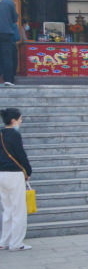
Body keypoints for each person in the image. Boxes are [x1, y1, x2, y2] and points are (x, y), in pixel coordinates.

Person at [0, 107, 31, 250]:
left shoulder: (1, 134)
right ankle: (16, 243)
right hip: (14, 174)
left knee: (7, 209)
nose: (21, 121)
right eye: (20, 119)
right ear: (13, 121)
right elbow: (21, 154)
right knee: (18, 209)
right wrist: (28, 171)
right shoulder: (14, 135)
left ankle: (4, 241)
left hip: (1, 174)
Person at [0, 0, 20, 87]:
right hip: (6, 33)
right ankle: (8, 79)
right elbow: (14, 19)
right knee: (7, 56)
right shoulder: (9, 3)